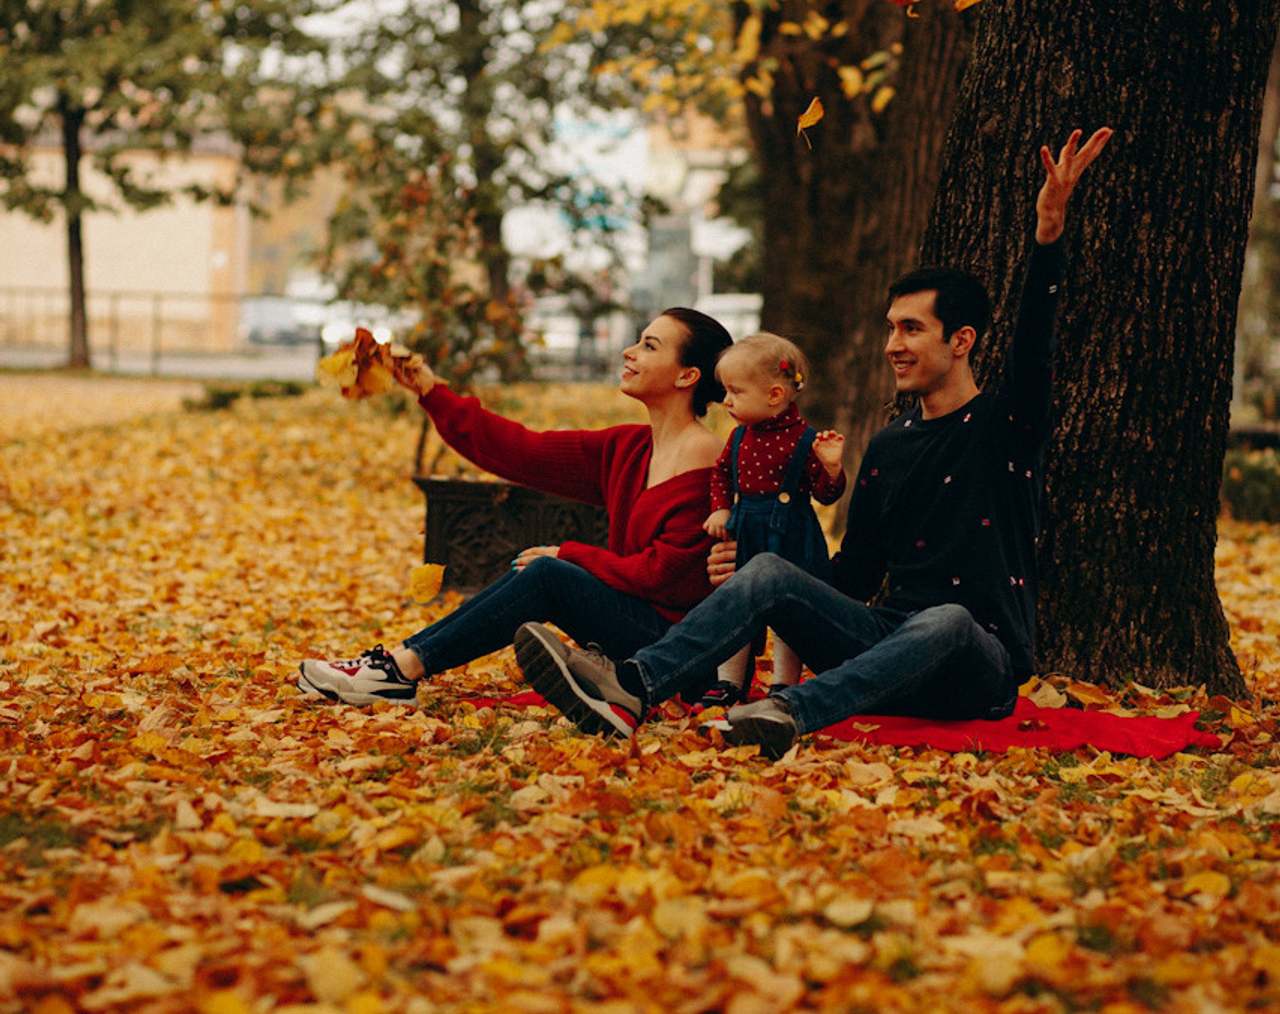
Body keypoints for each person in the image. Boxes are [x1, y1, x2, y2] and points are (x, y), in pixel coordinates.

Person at [514, 126, 1113, 758]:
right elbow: (851, 578)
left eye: (912, 329)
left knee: (949, 620)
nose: (893, 346)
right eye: (890, 329)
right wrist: (754, 567)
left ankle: (785, 712)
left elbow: (1036, 347)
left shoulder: (1007, 425)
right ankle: (633, 688)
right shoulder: (888, 445)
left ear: (960, 341)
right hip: (882, 644)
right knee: (773, 571)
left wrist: (1048, 236)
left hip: (978, 662)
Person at [296, 307, 732, 707]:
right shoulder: (630, 448)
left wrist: (569, 554)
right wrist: (430, 390)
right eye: (637, 340)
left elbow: (662, 575)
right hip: (632, 633)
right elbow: (518, 451)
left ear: (687, 376)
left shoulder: (708, 460)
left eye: (649, 346)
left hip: (678, 656)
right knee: (544, 571)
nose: (629, 351)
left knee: (546, 572)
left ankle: (398, 670)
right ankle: (397, 666)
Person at [691, 333, 846, 709]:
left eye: (736, 391)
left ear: (775, 395)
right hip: (746, 529)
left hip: (791, 534)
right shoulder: (739, 436)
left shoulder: (805, 439)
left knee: (787, 610)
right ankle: (729, 683)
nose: (726, 400)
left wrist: (831, 467)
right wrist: (721, 508)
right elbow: (721, 474)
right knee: (737, 603)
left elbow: (826, 494)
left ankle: (783, 685)